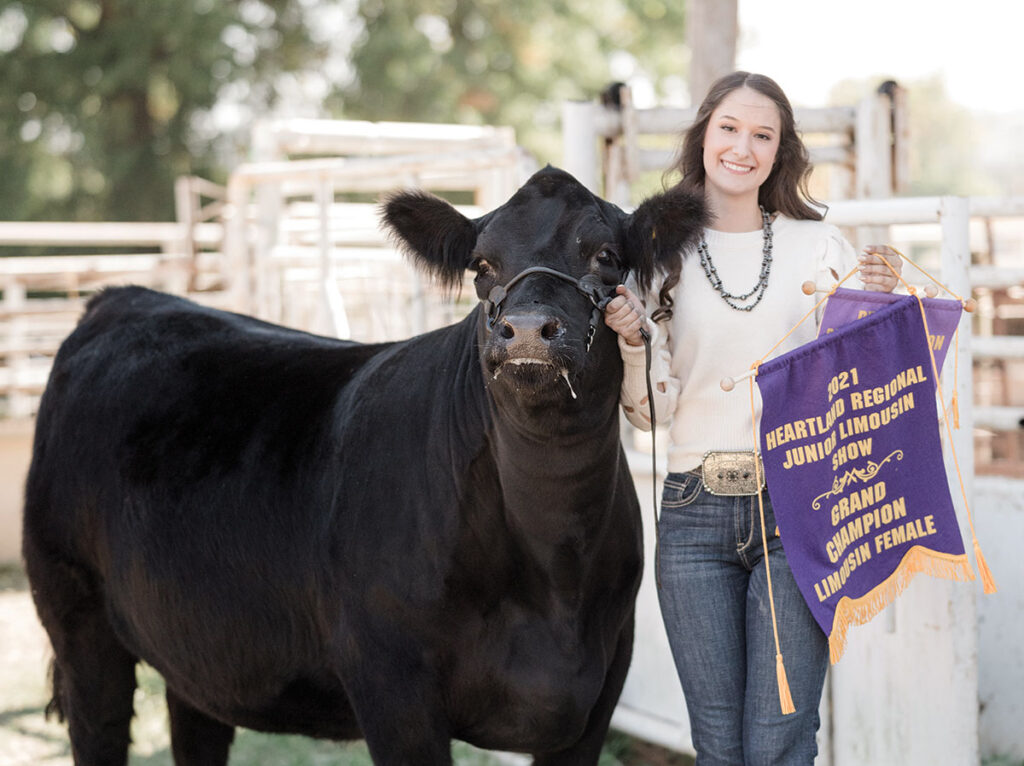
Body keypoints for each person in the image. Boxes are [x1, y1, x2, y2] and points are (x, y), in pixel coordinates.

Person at [604, 71, 902, 765]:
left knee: (781, 741)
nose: (743, 147)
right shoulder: (653, 251)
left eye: (762, 135)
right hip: (693, 513)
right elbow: (651, 414)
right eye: (729, 129)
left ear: (780, 152)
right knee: (718, 746)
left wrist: (872, 306)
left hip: (797, 508)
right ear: (704, 134)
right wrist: (632, 341)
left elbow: (852, 385)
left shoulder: (821, 248)